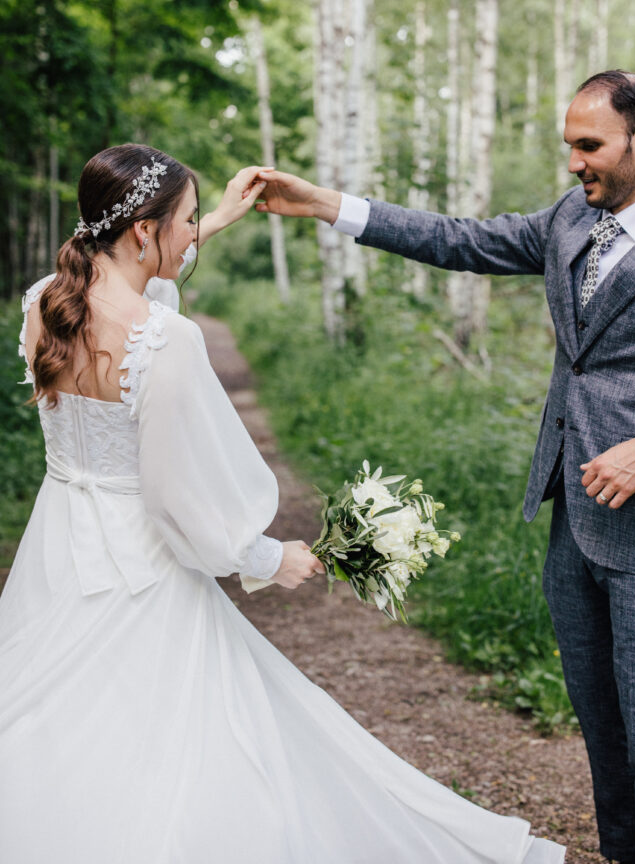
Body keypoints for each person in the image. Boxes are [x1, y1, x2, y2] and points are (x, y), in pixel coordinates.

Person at [0, 143, 564, 863]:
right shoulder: (163, 338)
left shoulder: (45, 303)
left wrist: (216, 220)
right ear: (144, 230)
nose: (194, 232)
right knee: (188, 735)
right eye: (188, 220)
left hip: (60, 545)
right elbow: (174, 499)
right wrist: (264, 556)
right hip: (139, 566)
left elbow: (137, 279)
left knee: (62, 719)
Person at [255, 70, 635, 864]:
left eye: (587, 146)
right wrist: (326, 205)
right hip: (574, 528)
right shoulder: (568, 219)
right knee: (606, 742)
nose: (572, 163)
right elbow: (459, 239)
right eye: (569, 146)